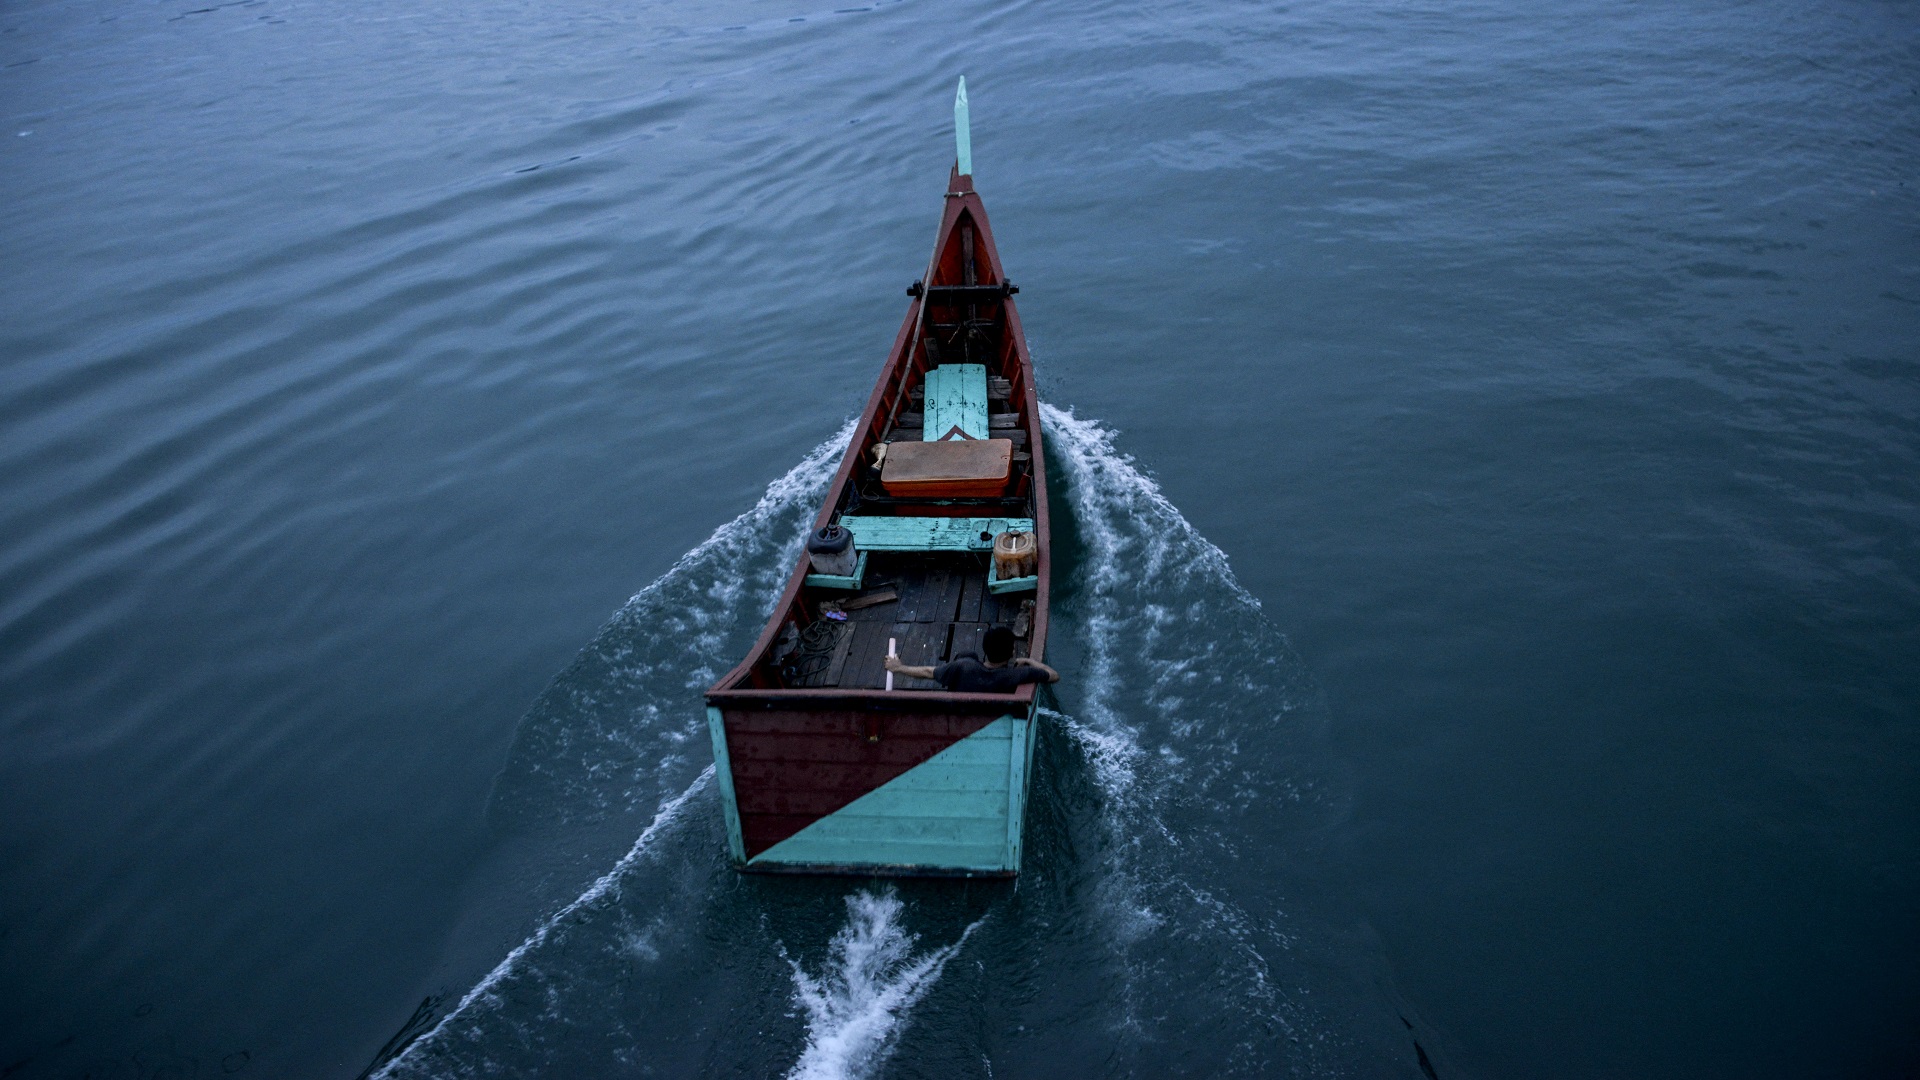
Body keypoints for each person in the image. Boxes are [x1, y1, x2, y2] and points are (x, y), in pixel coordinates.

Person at [885, 626, 1059, 693]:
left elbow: (929, 672)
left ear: (985, 648)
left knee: (968, 654)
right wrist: (1029, 661)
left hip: (958, 709)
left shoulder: (964, 666)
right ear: (1011, 652)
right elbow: (1053, 675)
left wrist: (899, 667)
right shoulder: (1017, 675)